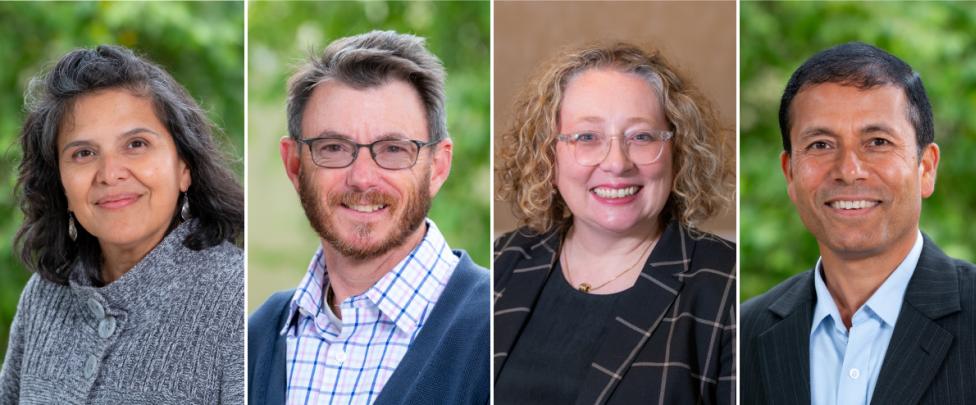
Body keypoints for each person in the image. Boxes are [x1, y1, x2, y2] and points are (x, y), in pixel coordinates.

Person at [247, 30, 489, 405]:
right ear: (294, 164)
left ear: (438, 167)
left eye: (393, 149)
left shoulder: (499, 330)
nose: (362, 178)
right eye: (333, 147)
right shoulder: (255, 340)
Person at [741, 42, 976, 405]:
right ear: (790, 173)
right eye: (821, 145)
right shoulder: (743, 333)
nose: (848, 171)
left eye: (877, 142)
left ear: (927, 168)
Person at [0, 45, 245, 403]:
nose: (110, 174)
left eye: (136, 144)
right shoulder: (43, 297)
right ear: (62, 184)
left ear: (184, 168)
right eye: (83, 153)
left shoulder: (235, 301)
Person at [494, 43, 736, 404]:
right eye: (586, 137)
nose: (617, 163)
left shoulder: (725, 282)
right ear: (548, 153)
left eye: (641, 136)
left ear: (677, 151)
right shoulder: (503, 259)